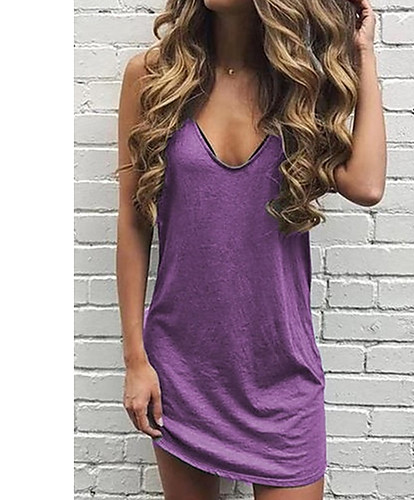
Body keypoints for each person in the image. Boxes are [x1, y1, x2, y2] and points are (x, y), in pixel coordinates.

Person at [115, 0, 386, 498]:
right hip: (182, 370)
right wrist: (136, 359)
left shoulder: (300, 86)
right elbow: (134, 224)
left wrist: (362, 53)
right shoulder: (153, 77)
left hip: (282, 371)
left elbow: (366, 185)